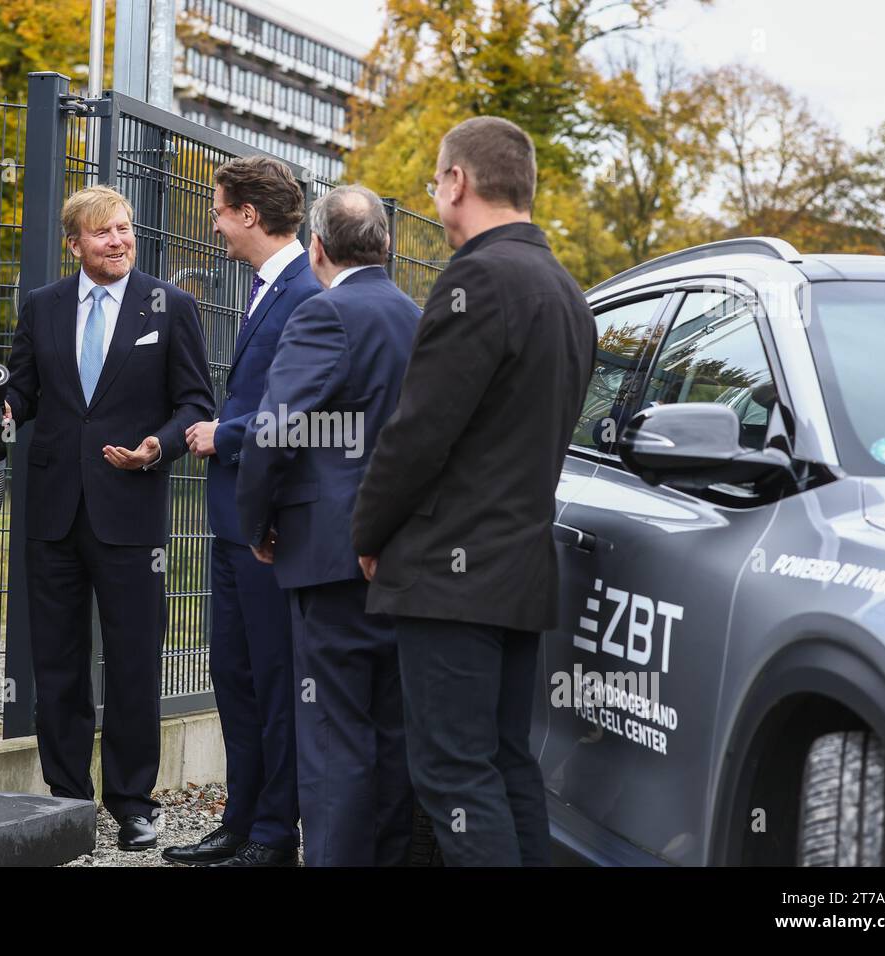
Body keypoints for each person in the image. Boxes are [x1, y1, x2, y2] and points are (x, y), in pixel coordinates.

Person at [352, 117, 598, 867]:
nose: (436, 192)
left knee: (453, 771)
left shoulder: (477, 279)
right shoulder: (567, 292)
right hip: (518, 569)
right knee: (504, 760)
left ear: (457, 181)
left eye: (436, 179)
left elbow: (420, 432)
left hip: (451, 575)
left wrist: (368, 532)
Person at [0, 186, 213, 851]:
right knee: (58, 661)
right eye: (103, 232)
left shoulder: (172, 306)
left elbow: (195, 401)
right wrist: (0, 413)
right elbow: (24, 388)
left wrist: (157, 447)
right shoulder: (42, 307)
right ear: (73, 243)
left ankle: (134, 803)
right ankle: (67, 799)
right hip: (52, 510)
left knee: (134, 660)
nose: (119, 240)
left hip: (130, 511)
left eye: (126, 229)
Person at [236, 185, 420, 866]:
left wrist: (258, 523)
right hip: (401, 555)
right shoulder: (417, 316)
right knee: (391, 734)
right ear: (387, 245)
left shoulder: (324, 315)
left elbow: (273, 431)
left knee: (334, 738)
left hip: (328, 556)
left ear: (317, 248)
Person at [164, 157, 320, 867]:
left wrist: (222, 433)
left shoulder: (304, 293)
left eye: (221, 210)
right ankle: (242, 817)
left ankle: (271, 833)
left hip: (270, 528)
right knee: (233, 672)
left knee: (272, 678)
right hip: (235, 522)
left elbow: (299, 411)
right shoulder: (268, 287)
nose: (217, 222)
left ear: (249, 215)